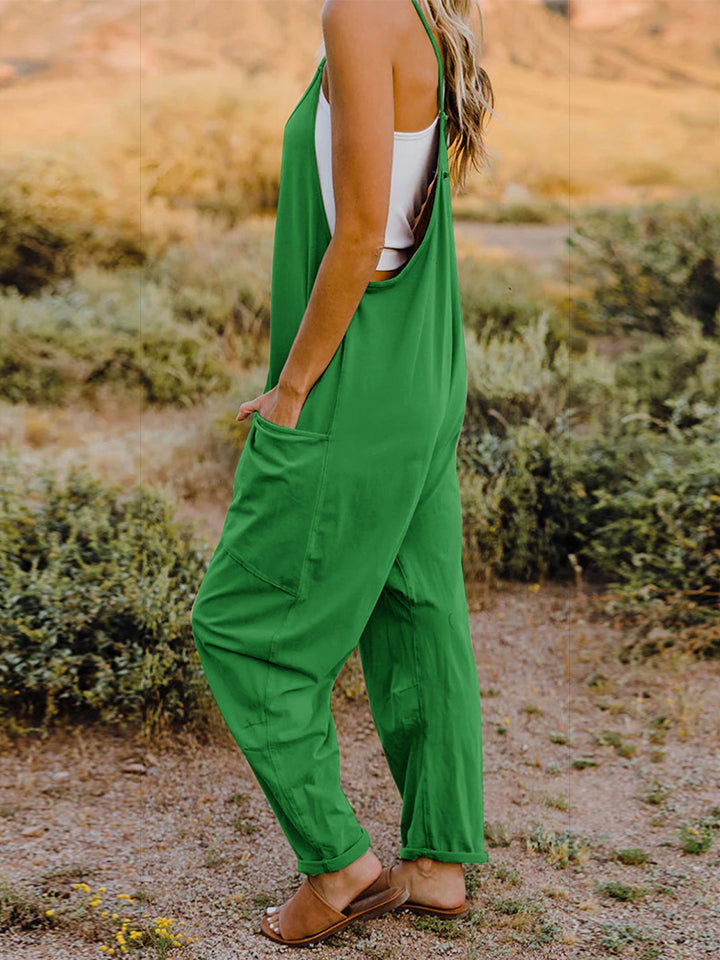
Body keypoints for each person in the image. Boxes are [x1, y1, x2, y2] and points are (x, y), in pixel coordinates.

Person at [191, 0, 496, 947]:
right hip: (420, 363)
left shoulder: (360, 11)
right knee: (419, 610)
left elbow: (363, 229)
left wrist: (291, 387)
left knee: (240, 628)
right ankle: (440, 866)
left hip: (359, 378)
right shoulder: (419, 12)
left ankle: (340, 867)